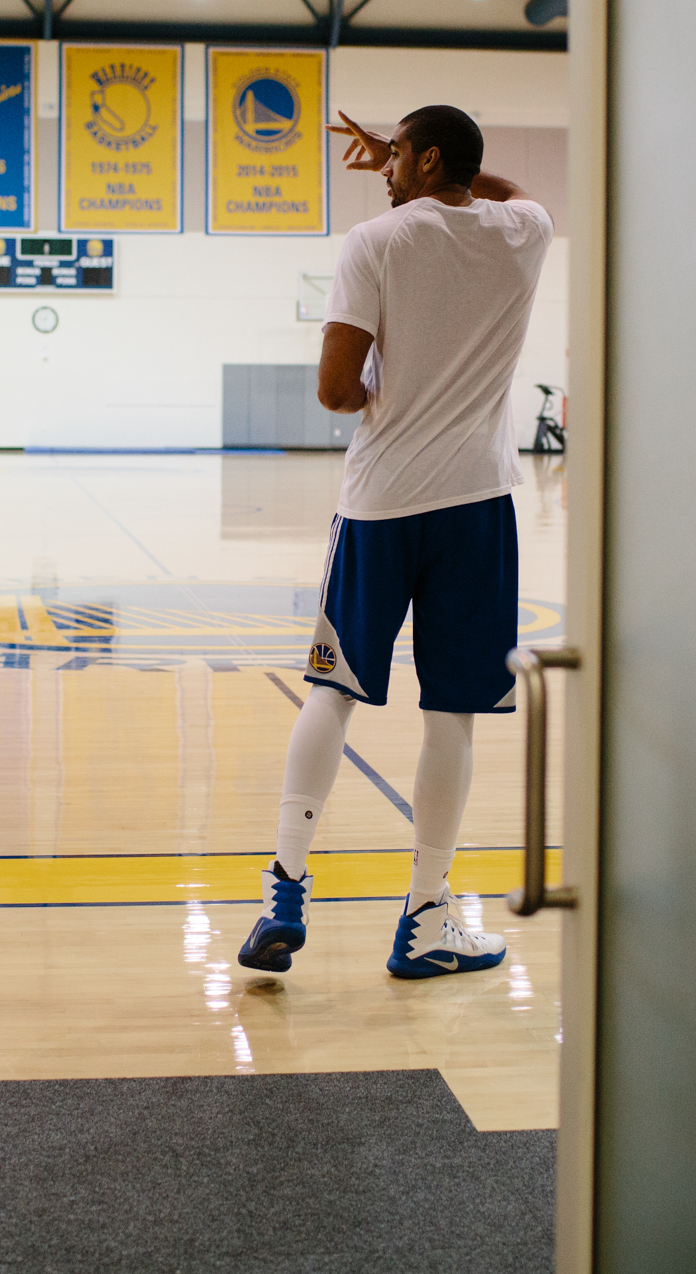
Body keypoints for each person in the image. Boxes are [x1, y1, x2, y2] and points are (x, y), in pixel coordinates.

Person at [238, 103, 555, 980]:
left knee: (332, 688)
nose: (381, 167)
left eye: (396, 155)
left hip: (381, 502)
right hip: (477, 504)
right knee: (451, 712)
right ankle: (426, 918)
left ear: (427, 159)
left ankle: (285, 887)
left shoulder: (376, 242)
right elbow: (510, 190)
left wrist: (387, 384)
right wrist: (428, 167)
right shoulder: (525, 232)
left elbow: (337, 392)